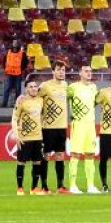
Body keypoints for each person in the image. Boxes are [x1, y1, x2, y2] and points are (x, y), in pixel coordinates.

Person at [65, 64, 100, 194]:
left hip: (90, 124)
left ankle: (90, 186)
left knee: (90, 154)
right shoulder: (72, 87)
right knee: (75, 154)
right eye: (86, 71)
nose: (88, 73)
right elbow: (63, 99)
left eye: (90, 71)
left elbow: (94, 103)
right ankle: (73, 185)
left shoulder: (93, 87)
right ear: (80, 73)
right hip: (78, 124)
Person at [37, 60, 70, 193]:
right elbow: (35, 97)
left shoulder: (66, 86)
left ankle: (60, 186)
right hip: (48, 127)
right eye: (58, 70)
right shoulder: (45, 86)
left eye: (63, 70)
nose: (61, 72)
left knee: (60, 155)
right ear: (53, 71)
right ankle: (44, 186)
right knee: (45, 156)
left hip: (62, 126)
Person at [11, 78, 46, 195]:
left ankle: (34, 188)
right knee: (21, 163)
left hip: (37, 137)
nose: (33, 88)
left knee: (37, 162)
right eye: (30, 87)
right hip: (24, 138)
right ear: (26, 89)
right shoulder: (21, 101)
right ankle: (20, 188)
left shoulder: (41, 100)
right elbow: (14, 118)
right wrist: (16, 134)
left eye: (35, 86)